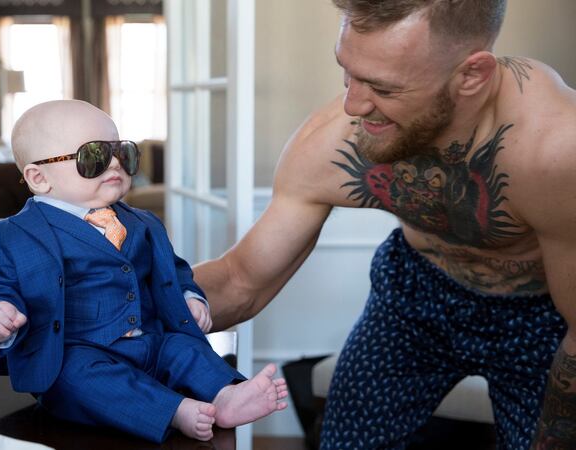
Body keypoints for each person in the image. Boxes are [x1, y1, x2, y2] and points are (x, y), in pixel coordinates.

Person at [192, 1, 576, 448]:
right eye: (347, 71)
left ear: (471, 76)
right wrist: (119, 306)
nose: (352, 104)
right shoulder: (332, 142)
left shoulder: (554, 152)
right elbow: (242, 279)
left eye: (383, 88)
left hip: (541, 313)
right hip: (416, 290)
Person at [0, 100, 288, 443]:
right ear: (39, 178)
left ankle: (226, 395)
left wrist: (189, 296)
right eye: (93, 157)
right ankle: (174, 411)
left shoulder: (143, 222)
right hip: (77, 352)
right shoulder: (5, 238)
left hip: (152, 341)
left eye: (123, 152)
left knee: (185, 349)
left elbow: (174, 270)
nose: (116, 164)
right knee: (79, 379)